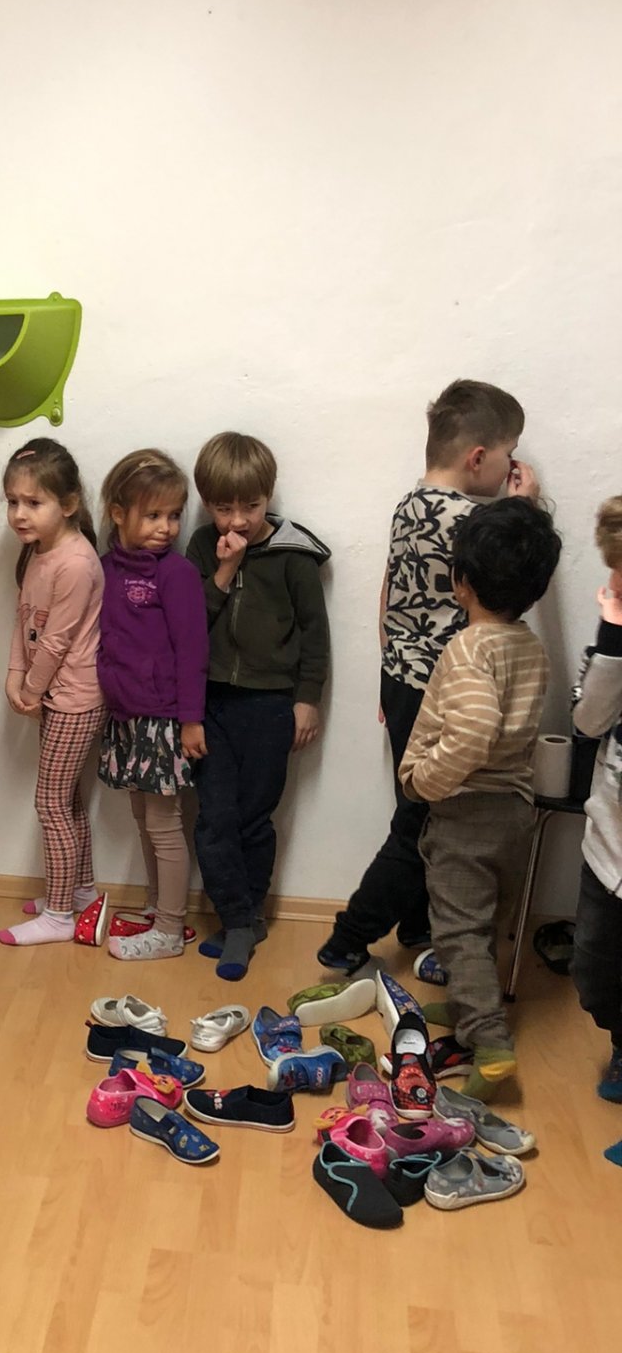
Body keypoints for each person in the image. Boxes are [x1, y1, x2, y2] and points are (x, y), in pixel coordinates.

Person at [318, 380, 539, 978]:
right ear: (478, 457)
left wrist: (389, 670)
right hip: (446, 689)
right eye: (509, 454)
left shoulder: (409, 505)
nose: (511, 466)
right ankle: (347, 938)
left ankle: (419, 926)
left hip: (402, 677)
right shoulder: (473, 522)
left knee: (422, 814)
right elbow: (512, 577)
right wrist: (525, 510)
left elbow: (390, 592)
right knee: (425, 823)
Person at [398, 497, 562, 1101]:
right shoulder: (528, 645)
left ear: (460, 581)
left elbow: (472, 732)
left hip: (466, 809)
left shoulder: (469, 648)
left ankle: (490, 1047)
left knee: (459, 932)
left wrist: (425, 779)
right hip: (516, 810)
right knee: (487, 922)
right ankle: (473, 1006)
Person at [184, 432, 330, 982]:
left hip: (270, 706)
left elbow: (315, 634)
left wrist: (307, 700)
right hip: (212, 704)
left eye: (251, 505)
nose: (239, 520)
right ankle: (240, 921)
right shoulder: (203, 547)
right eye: (224, 508)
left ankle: (247, 918)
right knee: (213, 819)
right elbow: (191, 624)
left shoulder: (294, 555)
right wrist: (225, 569)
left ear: (269, 496)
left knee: (253, 819)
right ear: (207, 504)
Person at [95, 449, 209, 961]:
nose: (166, 527)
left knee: (165, 825)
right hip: (125, 716)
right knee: (143, 818)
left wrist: (191, 720)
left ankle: (170, 927)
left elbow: (193, 650)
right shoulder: (105, 569)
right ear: (119, 514)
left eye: (174, 515)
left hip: (164, 719)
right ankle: (156, 907)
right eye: (154, 515)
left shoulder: (176, 573)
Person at [0, 438, 108, 949]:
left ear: (68, 504)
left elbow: (58, 639)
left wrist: (32, 689)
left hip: (74, 697)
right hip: (53, 694)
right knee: (68, 799)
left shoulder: (76, 562)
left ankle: (60, 914)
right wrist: (14, 675)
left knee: (50, 804)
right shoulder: (38, 553)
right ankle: (80, 891)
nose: (19, 514)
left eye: (33, 502)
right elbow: (25, 622)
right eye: (12, 501)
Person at [569, 496, 622, 1105]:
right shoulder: (616, 642)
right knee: (592, 970)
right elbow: (588, 722)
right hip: (608, 844)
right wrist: (612, 639)